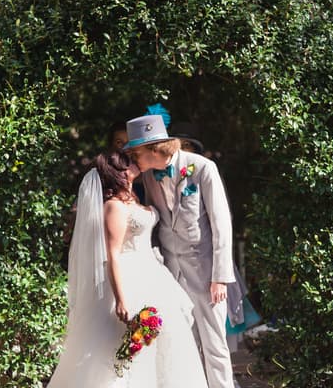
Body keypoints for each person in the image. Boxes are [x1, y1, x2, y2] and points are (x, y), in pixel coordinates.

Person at [47, 151, 208, 388]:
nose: (135, 164)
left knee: (166, 341)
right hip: (129, 275)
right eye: (128, 163)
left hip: (152, 273)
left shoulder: (133, 198)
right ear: (119, 173)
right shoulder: (113, 207)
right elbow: (112, 254)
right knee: (125, 344)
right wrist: (121, 299)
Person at [124, 115, 236, 388]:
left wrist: (220, 276)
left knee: (214, 342)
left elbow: (221, 223)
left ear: (153, 149)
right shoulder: (150, 177)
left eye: (135, 152)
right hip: (170, 270)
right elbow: (157, 220)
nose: (133, 158)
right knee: (180, 339)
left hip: (205, 269)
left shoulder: (202, 167)